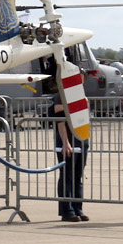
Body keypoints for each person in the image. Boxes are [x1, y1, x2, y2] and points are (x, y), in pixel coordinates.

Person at [53, 88, 89, 222]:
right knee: (67, 174)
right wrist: (65, 142)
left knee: (78, 174)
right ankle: (66, 210)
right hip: (67, 137)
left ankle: (77, 207)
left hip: (81, 136)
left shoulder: (80, 93)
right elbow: (60, 119)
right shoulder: (61, 94)